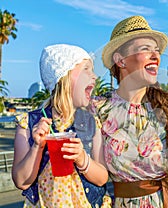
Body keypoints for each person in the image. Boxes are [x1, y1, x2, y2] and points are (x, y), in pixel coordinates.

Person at [91, 15, 168, 207]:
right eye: (145, 49)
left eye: (156, 50)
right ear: (120, 60)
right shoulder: (99, 109)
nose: (156, 56)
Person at [12, 44, 111, 207]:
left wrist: (82, 159)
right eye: (86, 69)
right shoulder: (29, 124)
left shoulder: (91, 122)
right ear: (63, 77)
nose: (94, 76)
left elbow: (102, 178)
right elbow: (21, 181)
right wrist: (37, 146)